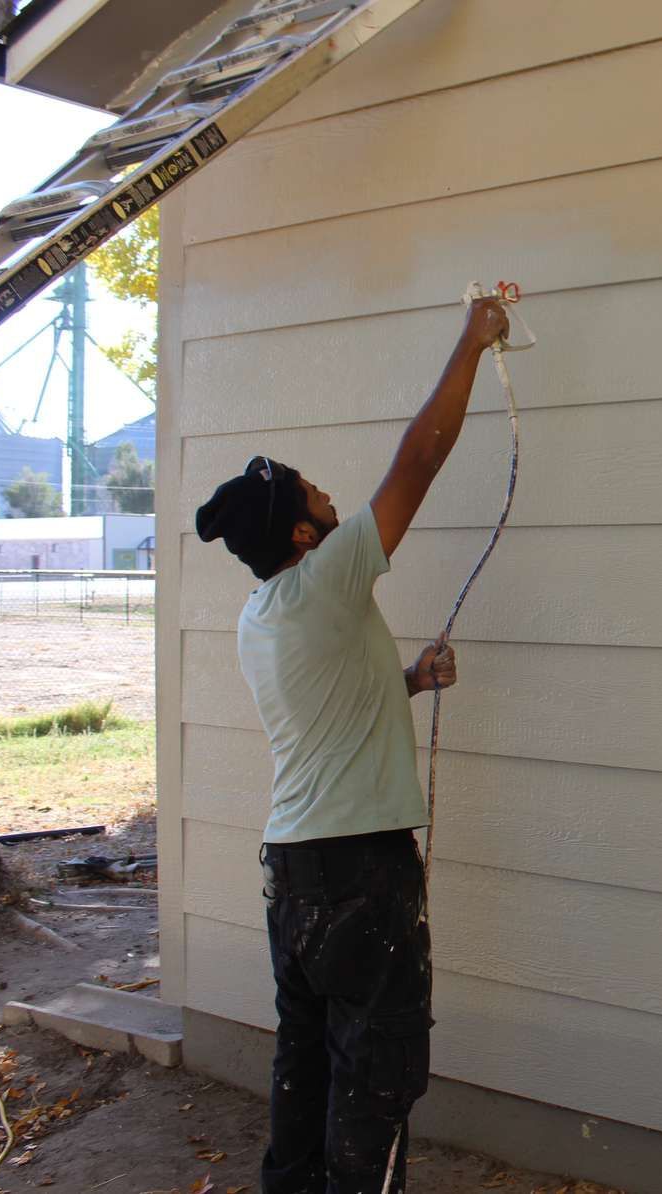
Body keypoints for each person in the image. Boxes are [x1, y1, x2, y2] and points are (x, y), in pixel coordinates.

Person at [194, 294, 511, 1193]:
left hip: (294, 880)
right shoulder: (328, 578)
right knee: (374, 1087)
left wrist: (406, 682)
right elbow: (421, 458)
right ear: (303, 533)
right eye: (315, 494)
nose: (332, 497)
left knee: (308, 1078)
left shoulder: (264, 615)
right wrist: (473, 339)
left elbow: (327, 719)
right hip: (359, 879)